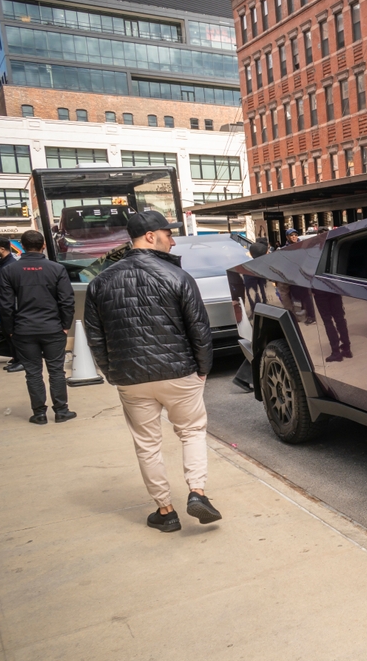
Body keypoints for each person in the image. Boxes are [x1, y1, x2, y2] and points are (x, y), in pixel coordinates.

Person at [84, 210, 221, 533]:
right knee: (191, 432)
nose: (173, 241)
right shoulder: (178, 277)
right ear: (149, 236)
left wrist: (111, 372)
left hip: (130, 378)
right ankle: (197, 492)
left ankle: (165, 510)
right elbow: (199, 330)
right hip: (179, 372)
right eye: (167, 234)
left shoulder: (100, 281)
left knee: (147, 444)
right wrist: (203, 369)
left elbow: (95, 336)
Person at [0, 230, 77, 425]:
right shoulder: (56, 269)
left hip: (23, 330)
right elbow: (67, 301)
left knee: (32, 372)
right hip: (53, 328)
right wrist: (65, 325)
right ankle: (61, 410)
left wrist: (10, 329)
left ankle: (39, 413)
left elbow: (5, 305)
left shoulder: (9, 271)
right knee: (56, 371)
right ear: (43, 245)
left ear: (22, 246)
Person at [0, 237, 24, 373]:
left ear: (2, 249)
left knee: (12, 333)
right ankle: (16, 358)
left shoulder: (9, 266)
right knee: (8, 333)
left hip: (10, 306)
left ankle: (21, 360)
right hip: (5, 305)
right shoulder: (4, 264)